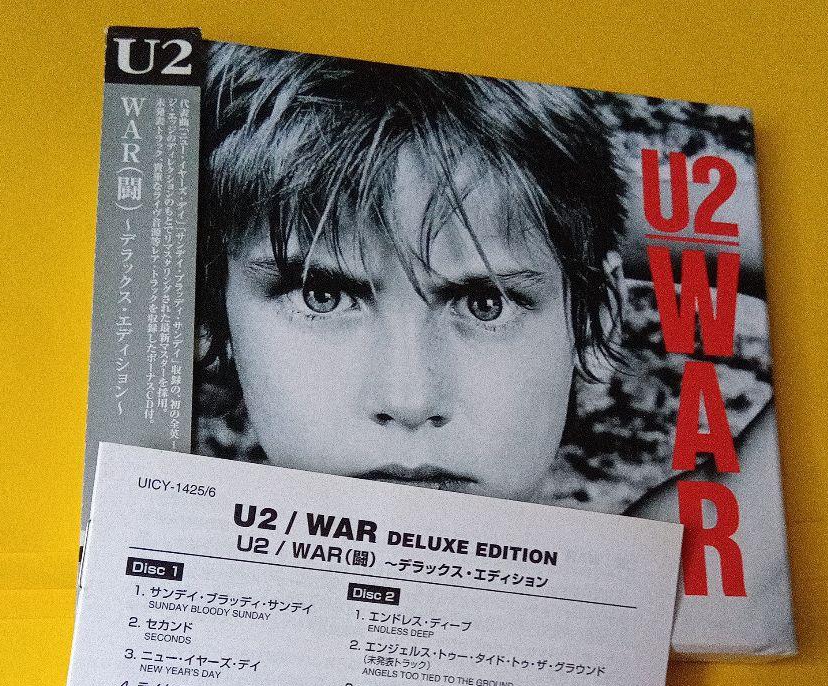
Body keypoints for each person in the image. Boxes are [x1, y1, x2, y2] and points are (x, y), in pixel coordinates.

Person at [195, 42, 628, 503]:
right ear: (214, 311)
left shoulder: (665, 543)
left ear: (597, 319)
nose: (409, 403)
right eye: (322, 297)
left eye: (485, 304)